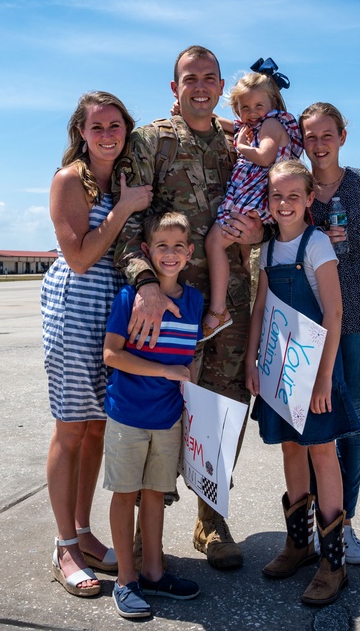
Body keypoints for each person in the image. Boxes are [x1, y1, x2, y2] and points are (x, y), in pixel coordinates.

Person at [114, 45, 263, 571]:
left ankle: (211, 517)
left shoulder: (241, 143)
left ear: (222, 86)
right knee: (154, 406)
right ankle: (140, 528)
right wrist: (147, 286)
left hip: (229, 305)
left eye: (210, 78)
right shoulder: (150, 140)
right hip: (168, 304)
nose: (200, 86)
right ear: (174, 87)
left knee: (224, 409)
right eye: (189, 78)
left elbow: (267, 203)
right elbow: (127, 225)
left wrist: (260, 230)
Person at [41, 91, 153, 599]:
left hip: (113, 308)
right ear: (81, 134)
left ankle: (84, 531)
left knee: (95, 430)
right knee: (69, 428)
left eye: (115, 125)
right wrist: (126, 207)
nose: (108, 134)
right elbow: (81, 258)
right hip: (75, 304)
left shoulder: (122, 175)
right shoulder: (70, 180)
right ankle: (64, 545)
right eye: (97, 127)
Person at [245, 160, 360, 606]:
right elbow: (259, 309)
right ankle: (299, 544)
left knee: (322, 453)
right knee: (291, 449)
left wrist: (324, 380)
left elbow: (334, 312)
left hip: (315, 370)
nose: (285, 203)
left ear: (310, 199)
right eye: (277, 196)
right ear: (268, 202)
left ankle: (334, 563)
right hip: (279, 366)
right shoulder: (269, 250)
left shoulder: (316, 247)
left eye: (294, 196)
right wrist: (255, 361)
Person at [103, 212, 203, 618]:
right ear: (147, 251)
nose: (171, 253)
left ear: (190, 252)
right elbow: (112, 353)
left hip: (169, 418)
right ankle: (125, 580)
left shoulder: (194, 301)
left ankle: (154, 572)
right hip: (128, 414)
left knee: (155, 495)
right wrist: (164, 371)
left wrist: (192, 402)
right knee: (126, 494)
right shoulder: (129, 298)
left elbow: (190, 358)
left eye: (179, 246)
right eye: (162, 246)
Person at [298, 102, 360, 565]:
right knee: (313, 428)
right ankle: (314, 522)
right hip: (307, 322)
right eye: (310, 136)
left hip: (355, 321)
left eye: (326, 134)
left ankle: (344, 522)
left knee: (350, 424)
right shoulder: (297, 186)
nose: (318, 143)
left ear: (342, 136)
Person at [203, 59, 303, 340]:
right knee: (243, 256)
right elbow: (231, 126)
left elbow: (265, 156)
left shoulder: (270, 123)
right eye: (244, 108)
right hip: (253, 198)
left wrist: (244, 147)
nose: (251, 113)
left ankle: (219, 309)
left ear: (272, 102)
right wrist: (207, 119)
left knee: (214, 243)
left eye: (258, 106)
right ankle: (240, 302)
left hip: (250, 199)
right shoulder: (261, 123)